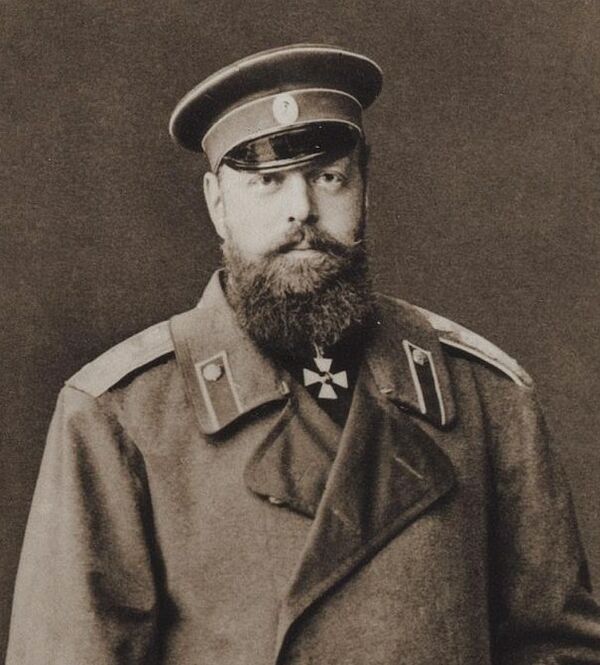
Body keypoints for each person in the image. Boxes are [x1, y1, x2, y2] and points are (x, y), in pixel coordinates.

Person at [7, 43, 600, 665]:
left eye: (328, 177)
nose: (302, 211)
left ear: (364, 190)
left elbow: (558, 649)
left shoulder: (483, 395)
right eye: (267, 182)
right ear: (217, 204)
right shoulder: (120, 415)